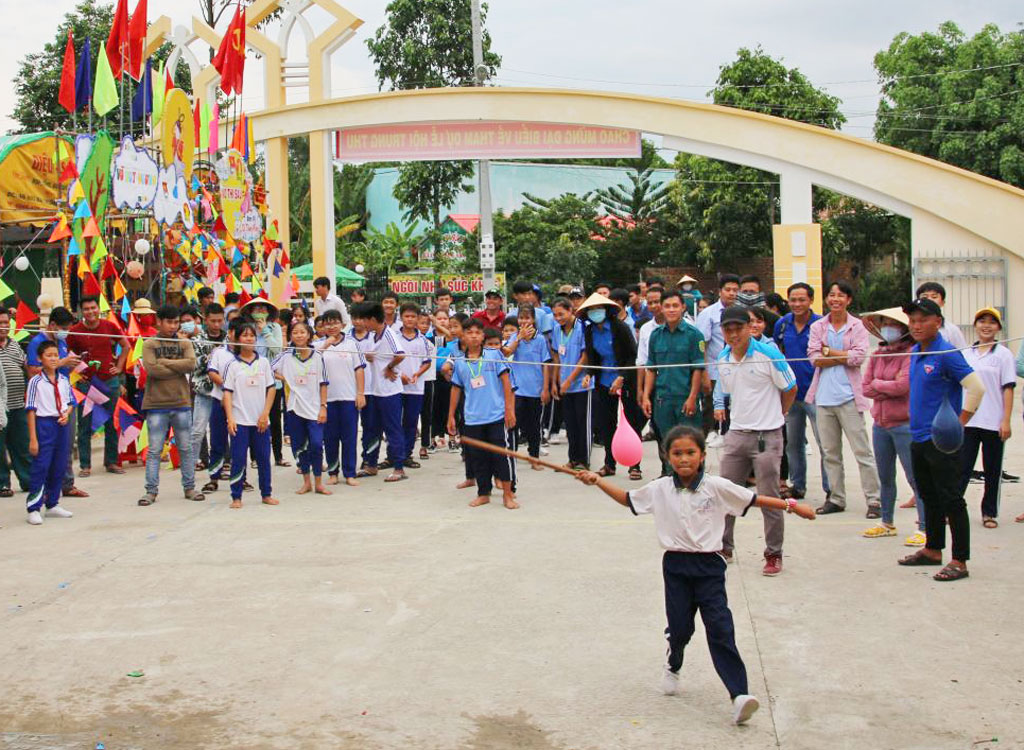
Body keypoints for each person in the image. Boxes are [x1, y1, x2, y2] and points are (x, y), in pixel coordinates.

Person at [575, 425, 815, 725]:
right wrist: (597, 481)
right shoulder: (660, 488)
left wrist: (792, 506)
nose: (684, 459)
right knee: (680, 629)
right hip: (675, 567)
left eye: (690, 452)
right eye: (677, 453)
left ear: (702, 456)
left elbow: (754, 500)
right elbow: (628, 499)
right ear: (667, 456)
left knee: (721, 628)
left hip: (710, 567)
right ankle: (673, 663)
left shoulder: (717, 487)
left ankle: (739, 694)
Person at [897, 297, 984, 582]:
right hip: (918, 436)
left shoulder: (946, 352)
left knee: (951, 498)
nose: (917, 325)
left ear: (938, 322)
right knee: (928, 495)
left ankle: (960, 560)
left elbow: (976, 388)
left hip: (942, 440)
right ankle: (933, 549)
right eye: (913, 320)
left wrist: (959, 424)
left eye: (923, 319)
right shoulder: (915, 352)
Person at [714, 305, 797, 575]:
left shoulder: (768, 354)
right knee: (725, 493)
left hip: (767, 435)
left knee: (769, 497)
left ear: (750, 328)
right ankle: (723, 547)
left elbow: (790, 388)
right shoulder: (723, 358)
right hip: (737, 433)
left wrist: (779, 415)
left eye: (739, 327)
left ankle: (774, 554)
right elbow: (729, 392)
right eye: (728, 329)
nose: (734, 333)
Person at [806, 281, 882, 518]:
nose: (835, 299)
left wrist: (830, 352)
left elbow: (859, 357)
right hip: (823, 397)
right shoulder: (819, 326)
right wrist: (841, 356)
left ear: (848, 300)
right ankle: (836, 498)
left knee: (862, 452)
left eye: (840, 295)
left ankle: (874, 500)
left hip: (849, 397)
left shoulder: (857, 326)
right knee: (830, 452)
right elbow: (814, 357)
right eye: (831, 295)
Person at [860, 308, 924, 544]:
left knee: (915, 477)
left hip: (904, 424)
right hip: (880, 425)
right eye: (884, 323)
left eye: (893, 324)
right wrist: (885, 385)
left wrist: (880, 385)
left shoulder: (910, 353)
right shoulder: (877, 353)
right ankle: (887, 521)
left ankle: (924, 527)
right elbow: (865, 387)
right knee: (885, 477)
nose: (888, 327)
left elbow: (903, 386)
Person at [447, 317, 517, 508]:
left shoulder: (494, 355)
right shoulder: (460, 361)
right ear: (463, 336)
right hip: (472, 418)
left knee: (501, 456)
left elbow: (506, 382)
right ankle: (483, 492)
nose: (474, 336)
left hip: (495, 415)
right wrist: (451, 415)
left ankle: (508, 495)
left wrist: (509, 409)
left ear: (483, 336)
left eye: (478, 332)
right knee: (479, 458)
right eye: (469, 332)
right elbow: (456, 389)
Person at [138, 305, 201, 506]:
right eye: (169, 322)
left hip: (181, 402)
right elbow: (152, 370)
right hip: (156, 404)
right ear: (159, 321)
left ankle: (189, 487)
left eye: (176, 322)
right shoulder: (149, 344)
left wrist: (164, 361)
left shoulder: (184, 343)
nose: (173, 326)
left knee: (185, 447)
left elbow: (191, 364)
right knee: (155, 450)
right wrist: (176, 367)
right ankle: (151, 491)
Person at [772, 283, 829, 502]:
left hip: (816, 392)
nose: (796, 304)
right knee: (793, 444)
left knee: (825, 443)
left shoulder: (821, 324)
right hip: (790, 394)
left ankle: (830, 488)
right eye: (792, 300)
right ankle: (798, 485)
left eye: (801, 300)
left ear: (811, 300)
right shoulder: (782, 325)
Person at [959, 308, 1015, 529]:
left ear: (998, 328)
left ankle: (989, 513)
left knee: (992, 471)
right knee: (961, 469)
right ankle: (953, 509)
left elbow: (1008, 388)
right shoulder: (966, 354)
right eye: (982, 321)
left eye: (992, 322)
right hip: (969, 421)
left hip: (993, 421)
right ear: (975, 325)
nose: (986, 325)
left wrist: (1006, 420)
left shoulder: (1003, 355)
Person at [26, 306, 87, 499]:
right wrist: (60, 362)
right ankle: (44, 490)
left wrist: (72, 364)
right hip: (46, 404)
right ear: (52, 325)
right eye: (63, 327)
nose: (65, 331)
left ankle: (67, 484)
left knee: (66, 444)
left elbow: (61, 370)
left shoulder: (61, 342)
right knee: (47, 449)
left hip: (65, 398)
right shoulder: (37, 342)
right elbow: (33, 371)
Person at [579, 293, 641, 480]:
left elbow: (632, 356)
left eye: (598, 309)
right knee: (606, 424)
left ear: (606, 310)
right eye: (591, 310)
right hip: (604, 381)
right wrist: (588, 374)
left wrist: (622, 376)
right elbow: (592, 356)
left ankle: (634, 465)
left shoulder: (620, 328)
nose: (595, 313)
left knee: (631, 421)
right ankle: (609, 463)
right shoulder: (589, 331)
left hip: (625, 379)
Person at [643, 291, 705, 476]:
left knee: (691, 443)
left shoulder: (694, 335)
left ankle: (696, 482)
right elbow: (651, 368)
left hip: (686, 398)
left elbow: (697, 369)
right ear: (661, 308)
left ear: (683, 307)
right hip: (663, 399)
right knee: (668, 443)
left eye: (675, 306)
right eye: (667, 306)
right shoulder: (656, 335)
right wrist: (646, 396)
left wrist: (693, 397)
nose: (671, 310)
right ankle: (671, 482)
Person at [68, 296, 129, 477]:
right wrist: (78, 372)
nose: (90, 312)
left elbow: (125, 345)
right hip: (86, 383)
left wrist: (118, 367)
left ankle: (111, 462)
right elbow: (68, 354)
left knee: (111, 422)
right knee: (85, 424)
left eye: (93, 308)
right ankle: (85, 465)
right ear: (81, 312)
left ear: (98, 308)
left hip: (109, 381)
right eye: (86, 309)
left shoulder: (109, 327)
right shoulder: (75, 331)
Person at [222, 321, 279, 509]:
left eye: (252, 335)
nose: (249, 339)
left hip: (260, 421)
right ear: (237, 339)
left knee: (263, 458)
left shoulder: (263, 363)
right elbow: (227, 393)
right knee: (238, 459)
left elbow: (271, 389)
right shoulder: (232, 365)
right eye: (245, 335)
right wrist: (230, 417)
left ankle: (266, 493)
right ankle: (236, 496)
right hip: (240, 421)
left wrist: (265, 414)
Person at [353, 302, 408, 483]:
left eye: (364, 319)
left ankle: (399, 467)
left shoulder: (389, 334)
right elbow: (375, 355)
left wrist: (389, 367)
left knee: (392, 429)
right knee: (371, 429)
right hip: (375, 391)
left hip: (390, 392)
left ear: (373, 319)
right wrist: (372, 357)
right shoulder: (373, 336)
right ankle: (371, 464)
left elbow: (400, 353)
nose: (362, 323)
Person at [274, 321, 330, 496]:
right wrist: (284, 378)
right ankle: (306, 482)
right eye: (295, 332)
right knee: (299, 446)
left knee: (316, 444)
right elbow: (268, 368)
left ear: (309, 335)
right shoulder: (286, 356)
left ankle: (319, 482)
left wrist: (323, 407)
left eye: (302, 332)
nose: (299, 335)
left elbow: (323, 383)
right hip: (294, 408)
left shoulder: (317, 356)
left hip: (314, 409)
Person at [24, 341, 76, 526]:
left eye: (56, 355)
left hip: (61, 424)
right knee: (41, 466)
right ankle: (33, 507)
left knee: (59, 465)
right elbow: (31, 410)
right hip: (43, 425)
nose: (53, 359)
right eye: (49, 355)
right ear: (40, 359)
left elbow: (70, 402)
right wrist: (33, 438)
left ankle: (52, 503)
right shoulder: (35, 382)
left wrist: (66, 414)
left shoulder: (63, 380)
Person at [317, 309, 366, 486]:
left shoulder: (352, 344)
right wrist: (326, 345)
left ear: (342, 324)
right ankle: (333, 472)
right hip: (326, 400)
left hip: (348, 398)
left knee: (349, 437)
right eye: (327, 323)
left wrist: (360, 393)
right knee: (329, 438)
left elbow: (359, 369)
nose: (331, 326)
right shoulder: (317, 345)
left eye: (335, 322)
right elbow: (312, 364)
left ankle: (350, 473)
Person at [243, 299, 289, 468]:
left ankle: (278, 456)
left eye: (263, 308)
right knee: (255, 418)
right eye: (257, 308)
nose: (260, 310)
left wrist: (265, 332)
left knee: (275, 419)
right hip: (253, 380)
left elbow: (277, 349)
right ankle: (255, 457)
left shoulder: (275, 327)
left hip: (273, 381)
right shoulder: (247, 329)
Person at [507, 303, 552, 465]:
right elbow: (505, 353)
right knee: (513, 424)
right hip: (517, 390)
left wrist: (545, 388)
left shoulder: (540, 340)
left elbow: (546, 365)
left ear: (533, 319)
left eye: (527, 318)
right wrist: (518, 338)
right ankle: (510, 455)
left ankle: (534, 457)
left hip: (535, 390)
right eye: (521, 318)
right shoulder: (514, 337)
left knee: (534, 426)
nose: (524, 321)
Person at [696, 274, 740, 433]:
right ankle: (708, 434)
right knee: (710, 406)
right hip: (714, 369)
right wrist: (704, 373)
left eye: (735, 290)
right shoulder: (708, 314)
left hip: (737, 368)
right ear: (720, 291)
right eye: (728, 289)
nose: (732, 293)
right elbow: (701, 345)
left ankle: (728, 433)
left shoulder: (741, 312)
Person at [552, 298, 591, 470]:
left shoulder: (583, 327)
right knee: (570, 424)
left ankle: (584, 460)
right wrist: (555, 382)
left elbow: (585, 356)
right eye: (555, 315)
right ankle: (573, 459)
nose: (558, 318)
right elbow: (556, 357)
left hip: (581, 384)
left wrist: (569, 380)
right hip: (564, 385)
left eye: (561, 314)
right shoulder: (556, 330)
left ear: (571, 311)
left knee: (582, 424)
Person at [191, 303, 227, 478]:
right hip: (204, 391)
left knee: (227, 430)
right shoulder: (197, 340)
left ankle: (226, 464)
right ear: (206, 320)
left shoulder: (229, 339)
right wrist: (210, 357)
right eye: (213, 321)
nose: (216, 324)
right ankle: (190, 468)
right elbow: (193, 365)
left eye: (220, 321)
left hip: (225, 392)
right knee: (198, 430)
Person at [397, 303, 432, 469]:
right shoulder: (394, 336)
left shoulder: (422, 340)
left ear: (418, 319)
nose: (410, 319)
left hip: (416, 388)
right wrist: (399, 375)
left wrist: (417, 373)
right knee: (395, 422)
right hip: (396, 386)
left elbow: (427, 362)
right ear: (401, 318)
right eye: (406, 316)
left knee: (411, 422)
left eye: (413, 316)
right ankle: (394, 454)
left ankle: (407, 454)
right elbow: (388, 360)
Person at [915, 281, 968, 351]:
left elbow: (963, 352)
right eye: (925, 297)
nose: (929, 300)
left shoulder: (952, 330)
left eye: (934, 297)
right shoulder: (910, 328)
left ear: (943, 303)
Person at [417, 310, 437, 460]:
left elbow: (449, 336)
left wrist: (435, 322)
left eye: (427, 324)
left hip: (428, 380)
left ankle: (424, 445)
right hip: (411, 381)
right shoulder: (406, 339)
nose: (424, 326)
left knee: (427, 415)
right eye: (421, 323)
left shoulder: (433, 339)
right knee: (409, 416)